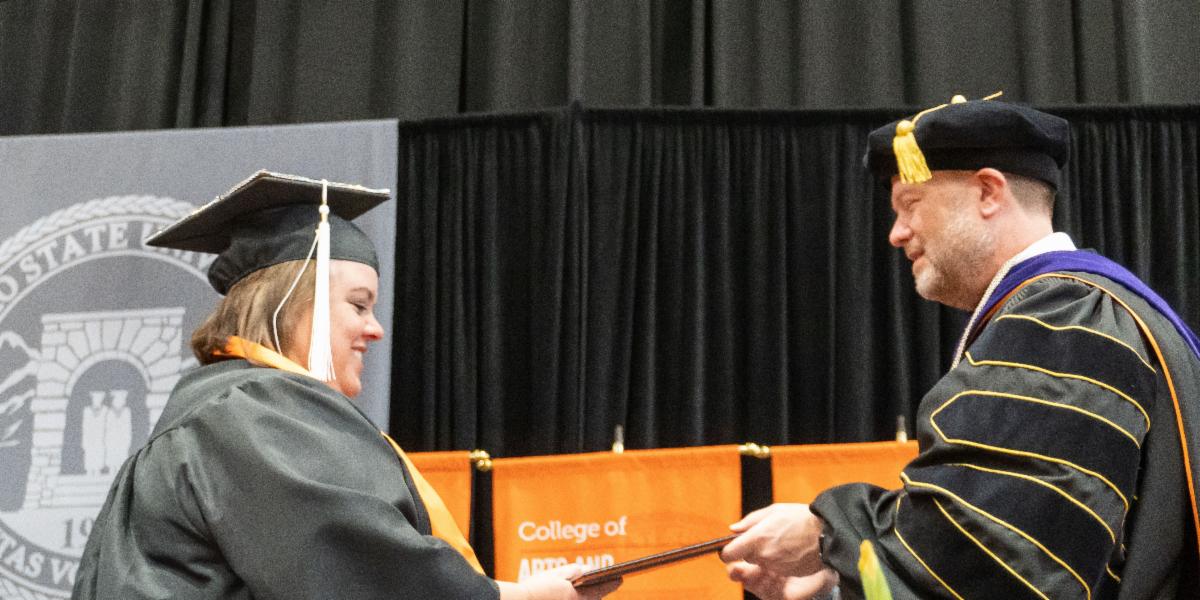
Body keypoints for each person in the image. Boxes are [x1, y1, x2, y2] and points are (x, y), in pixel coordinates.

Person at [720, 97, 1200, 599]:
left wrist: (828, 533)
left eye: (911, 205)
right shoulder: (1091, 310)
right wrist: (844, 583)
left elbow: (997, 554)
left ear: (988, 192)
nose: (896, 233)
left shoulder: (1064, 318)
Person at [72, 171, 620, 600]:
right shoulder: (253, 411)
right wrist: (516, 597)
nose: (375, 329)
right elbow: (353, 564)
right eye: (357, 305)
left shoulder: (213, 410)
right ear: (289, 303)